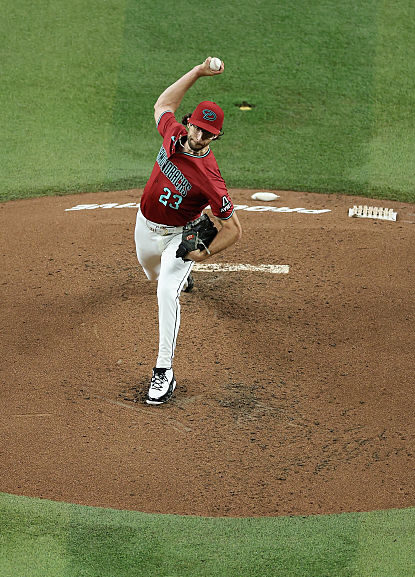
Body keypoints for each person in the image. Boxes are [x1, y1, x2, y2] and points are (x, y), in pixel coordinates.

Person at [134, 57, 243, 405]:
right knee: (151, 272)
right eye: (197, 128)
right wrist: (197, 72)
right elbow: (163, 104)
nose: (199, 136)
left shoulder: (211, 178)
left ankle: (164, 371)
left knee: (166, 290)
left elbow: (234, 228)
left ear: (216, 136)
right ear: (190, 124)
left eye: (208, 133)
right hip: (144, 226)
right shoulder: (173, 133)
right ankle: (179, 275)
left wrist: (202, 252)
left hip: (179, 237)